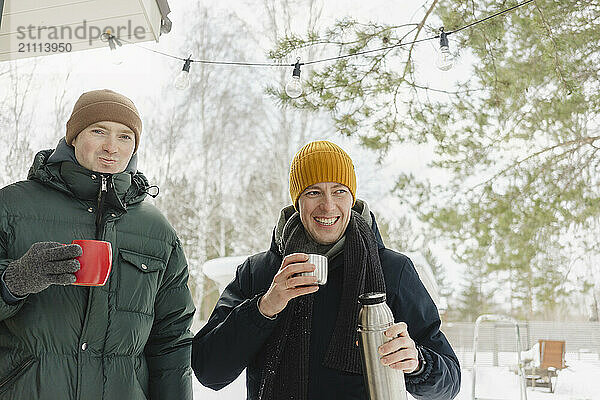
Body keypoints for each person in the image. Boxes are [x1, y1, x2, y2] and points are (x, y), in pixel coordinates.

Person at [192, 140, 461, 400]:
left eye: (339, 191)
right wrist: (264, 308)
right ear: (298, 202)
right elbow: (209, 371)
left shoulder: (392, 270)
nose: (328, 205)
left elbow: (450, 382)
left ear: (352, 197)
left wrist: (418, 363)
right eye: (313, 192)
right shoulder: (258, 273)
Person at [0, 89, 195, 400]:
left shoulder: (157, 230)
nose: (111, 147)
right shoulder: (11, 206)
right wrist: (13, 281)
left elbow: (172, 338)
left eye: (124, 137)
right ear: (74, 137)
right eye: (99, 131)